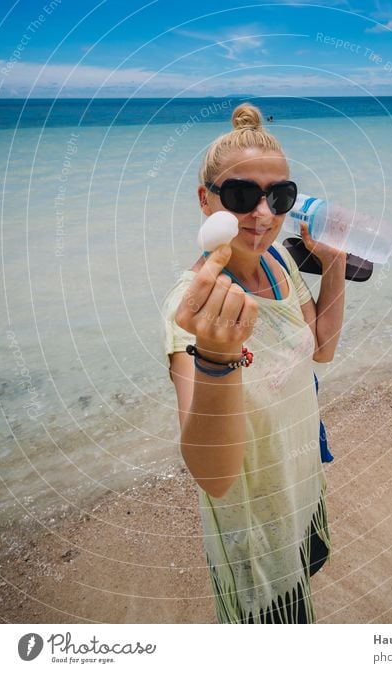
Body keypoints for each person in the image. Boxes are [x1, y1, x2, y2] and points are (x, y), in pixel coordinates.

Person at [162, 102, 347, 623]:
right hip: (252, 521)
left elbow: (321, 348)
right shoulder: (191, 314)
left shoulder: (276, 258)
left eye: (280, 196)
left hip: (298, 479)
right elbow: (213, 477)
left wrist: (332, 265)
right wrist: (218, 358)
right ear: (207, 201)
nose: (264, 215)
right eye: (242, 195)